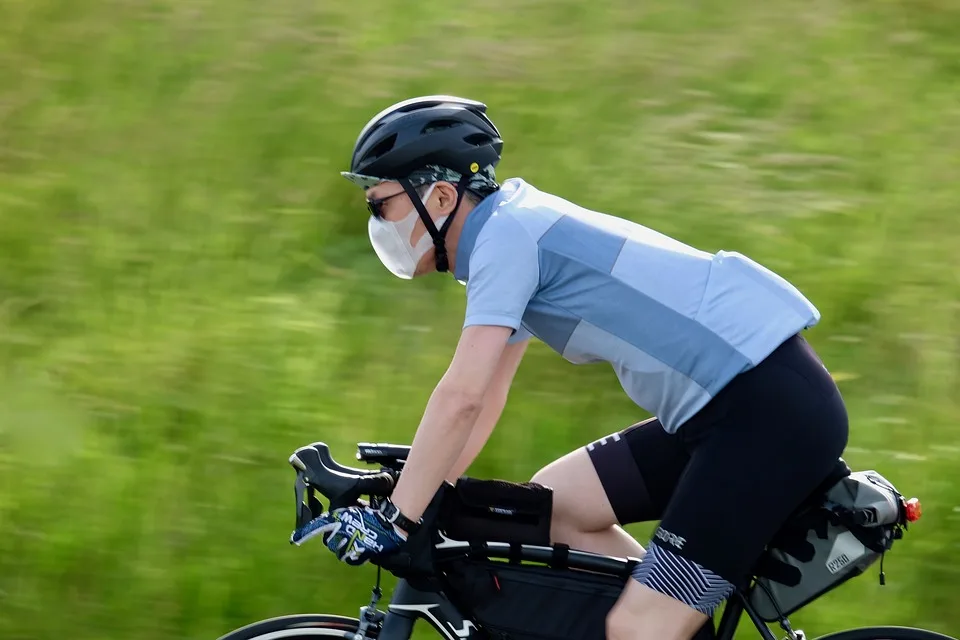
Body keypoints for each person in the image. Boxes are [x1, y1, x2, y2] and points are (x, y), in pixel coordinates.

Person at [291, 95, 850, 640]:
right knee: (556, 505)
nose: (376, 219)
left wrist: (396, 520)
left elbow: (460, 396)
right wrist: (426, 496)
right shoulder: (508, 230)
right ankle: (678, 620)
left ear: (439, 197)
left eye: (380, 203)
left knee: (636, 629)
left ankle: (659, 621)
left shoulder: (507, 237)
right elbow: (482, 399)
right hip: (736, 406)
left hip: (763, 414)